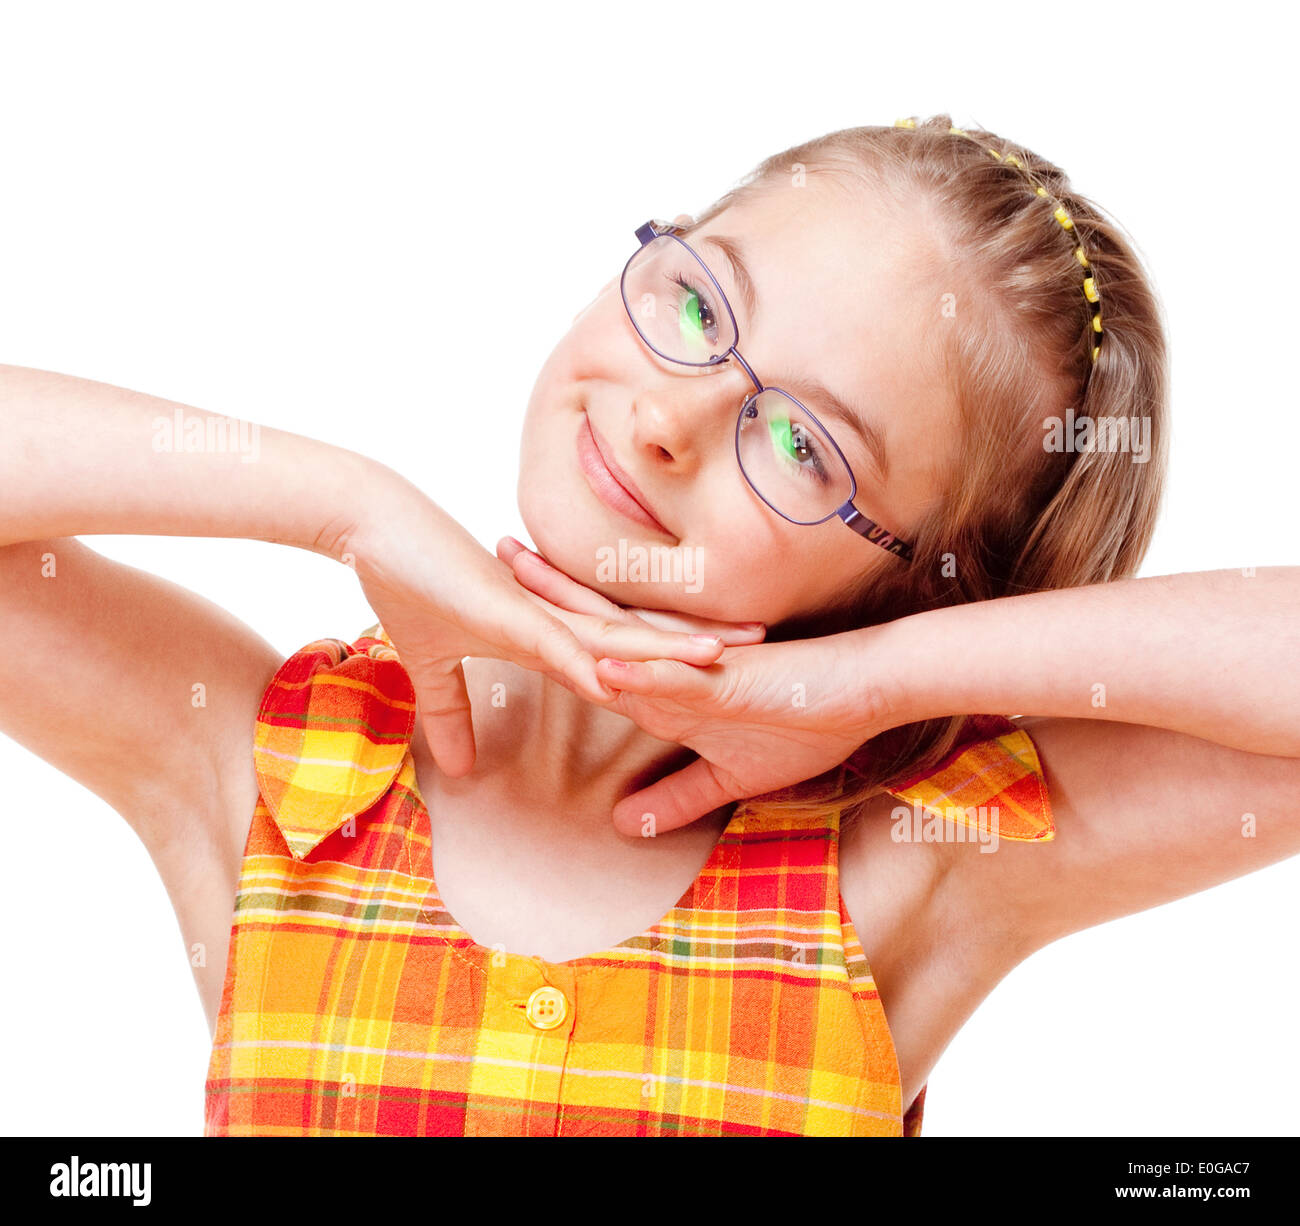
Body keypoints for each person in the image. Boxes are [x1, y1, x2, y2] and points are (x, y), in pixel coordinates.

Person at [3, 115, 1296, 1137]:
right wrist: (349, 506)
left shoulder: (905, 874)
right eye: (694, 303)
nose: (672, 417)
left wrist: (869, 684)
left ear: (910, 587)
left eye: (799, 443)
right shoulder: (277, 777)